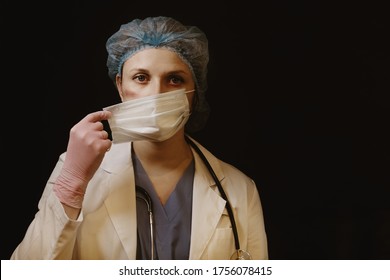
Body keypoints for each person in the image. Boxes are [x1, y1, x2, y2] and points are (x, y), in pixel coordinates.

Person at [11, 16, 268, 260]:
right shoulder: (74, 169)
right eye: (141, 78)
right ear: (121, 86)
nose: (156, 94)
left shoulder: (240, 189)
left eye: (174, 80)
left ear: (194, 92)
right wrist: (72, 184)